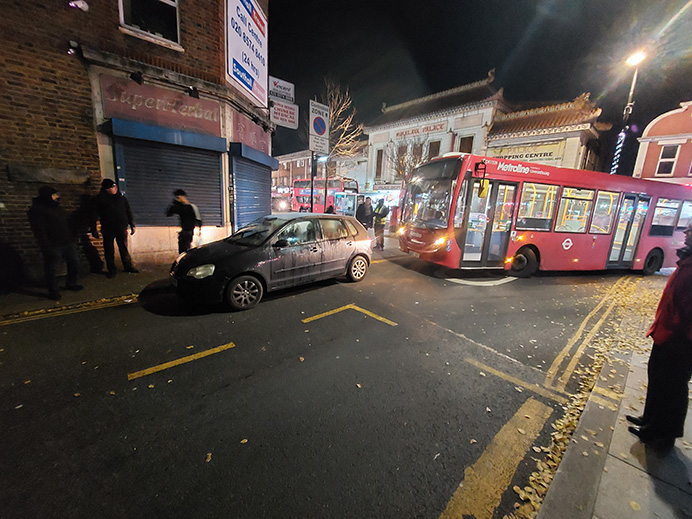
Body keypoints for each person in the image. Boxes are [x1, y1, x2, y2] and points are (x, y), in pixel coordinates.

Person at [627, 222, 692, 450]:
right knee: (657, 380)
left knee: (672, 389)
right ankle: (649, 421)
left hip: (680, 342)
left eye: (690, 230)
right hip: (665, 335)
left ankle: (664, 436)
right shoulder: (687, 259)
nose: (685, 233)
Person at [28, 186, 83, 300]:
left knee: (74, 263)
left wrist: (72, 236)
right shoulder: (37, 210)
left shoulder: (58, 208)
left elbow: (66, 223)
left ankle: (71, 283)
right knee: (51, 268)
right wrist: (46, 246)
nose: (56, 198)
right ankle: (53, 291)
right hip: (53, 244)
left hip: (67, 241)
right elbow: (40, 231)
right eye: (54, 196)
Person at [91, 179, 138, 278]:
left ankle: (128, 266)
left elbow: (128, 211)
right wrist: (93, 228)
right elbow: (94, 214)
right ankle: (111, 269)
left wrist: (132, 224)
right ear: (106, 189)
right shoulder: (100, 200)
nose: (114, 189)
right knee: (109, 249)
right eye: (112, 187)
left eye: (115, 186)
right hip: (108, 228)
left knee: (123, 247)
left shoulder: (121, 199)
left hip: (121, 227)